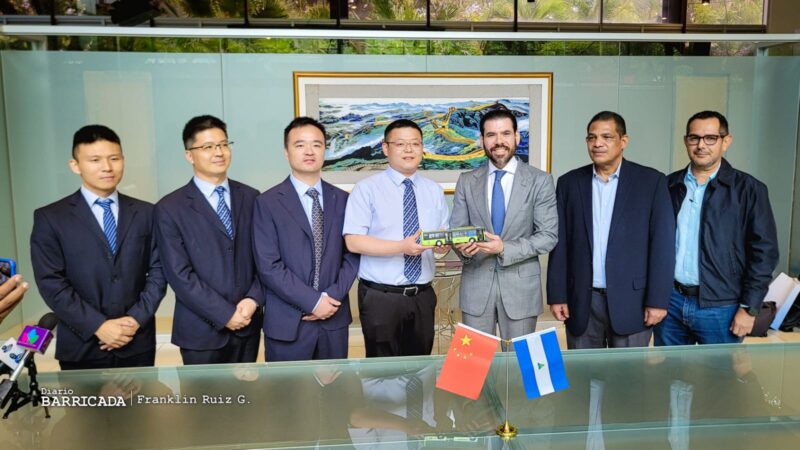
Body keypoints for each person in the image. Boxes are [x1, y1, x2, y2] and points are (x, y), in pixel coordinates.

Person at [30, 125, 166, 369]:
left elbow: (159, 271)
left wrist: (135, 320)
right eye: (95, 160)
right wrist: (98, 326)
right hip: (82, 344)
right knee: (83, 397)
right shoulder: (51, 218)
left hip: (136, 340)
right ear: (75, 165)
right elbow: (51, 282)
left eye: (114, 158)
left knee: (142, 396)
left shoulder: (147, 212)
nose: (107, 167)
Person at [547, 111, 675, 349]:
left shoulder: (651, 182)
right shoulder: (569, 183)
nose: (597, 143)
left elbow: (663, 246)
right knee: (584, 370)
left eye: (606, 137)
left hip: (633, 302)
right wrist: (557, 295)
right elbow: (560, 243)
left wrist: (658, 300)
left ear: (623, 141)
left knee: (627, 372)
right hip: (582, 302)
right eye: (591, 137)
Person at [655, 110, 779, 345]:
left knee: (719, 369)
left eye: (710, 138)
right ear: (686, 141)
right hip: (671, 303)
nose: (701, 145)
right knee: (671, 369)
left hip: (722, 307)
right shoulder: (668, 185)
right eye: (694, 138)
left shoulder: (749, 190)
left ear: (726, 141)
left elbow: (765, 253)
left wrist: (749, 308)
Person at [155, 115, 263, 365]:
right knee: (203, 392)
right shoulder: (170, 208)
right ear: (189, 155)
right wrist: (225, 314)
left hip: (247, 323)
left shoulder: (252, 197)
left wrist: (253, 299)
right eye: (208, 146)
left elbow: (264, 258)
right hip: (200, 331)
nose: (219, 152)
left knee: (248, 390)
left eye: (224, 144)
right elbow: (179, 274)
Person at [253, 117, 359, 362]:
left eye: (317, 144)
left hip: (333, 317)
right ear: (286, 152)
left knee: (334, 385)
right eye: (300, 145)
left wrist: (330, 298)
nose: (309, 151)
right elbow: (268, 265)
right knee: (288, 387)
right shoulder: (267, 203)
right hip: (288, 322)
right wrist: (313, 302)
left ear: (325, 151)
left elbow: (352, 255)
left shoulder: (344, 200)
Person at [343, 119, 449, 357]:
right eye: (400, 144)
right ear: (385, 148)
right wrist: (402, 246)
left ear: (422, 148)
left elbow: (441, 237)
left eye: (415, 144)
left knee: (420, 367)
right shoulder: (366, 189)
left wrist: (442, 247)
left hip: (423, 296)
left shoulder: (434, 190)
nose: (409, 150)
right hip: (381, 298)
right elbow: (353, 241)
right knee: (383, 371)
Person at [450, 108, 558, 342]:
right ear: (482, 140)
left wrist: (504, 248)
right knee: (474, 363)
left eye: (506, 133)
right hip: (476, 290)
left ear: (517, 137)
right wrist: (463, 249)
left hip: (521, 291)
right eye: (491, 135)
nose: (499, 141)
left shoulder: (540, 181)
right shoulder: (466, 181)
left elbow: (548, 236)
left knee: (519, 362)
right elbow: (457, 230)